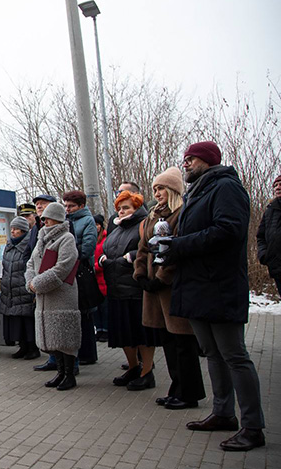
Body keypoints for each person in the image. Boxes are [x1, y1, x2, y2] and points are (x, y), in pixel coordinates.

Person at [161, 141, 265, 451]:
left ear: (207, 160)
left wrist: (181, 245)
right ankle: (223, 413)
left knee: (234, 355)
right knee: (212, 353)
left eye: (191, 159)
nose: (187, 164)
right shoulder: (200, 190)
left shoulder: (226, 188)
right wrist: (171, 246)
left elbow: (229, 230)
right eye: (186, 159)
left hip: (219, 286)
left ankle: (253, 426)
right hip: (197, 286)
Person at [134, 166, 205, 410]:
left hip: (173, 288)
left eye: (162, 188)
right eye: (155, 188)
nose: (158, 192)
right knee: (168, 343)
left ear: (173, 189)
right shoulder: (152, 216)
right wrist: (140, 274)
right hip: (155, 291)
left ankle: (189, 393)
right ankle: (176, 388)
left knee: (183, 343)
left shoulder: (181, 214)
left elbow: (177, 251)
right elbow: (142, 249)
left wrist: (161, 278)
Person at [100, 191, 157, 390]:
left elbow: (150, 248)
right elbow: (108, 248)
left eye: (126, 208)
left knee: (141, 333)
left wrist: (130, 257)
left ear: (136, 208)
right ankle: (133, 367)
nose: (122, 211)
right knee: (124, 333)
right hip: (116, 288)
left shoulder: (143, 224)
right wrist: (103, 259)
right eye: (119, 208)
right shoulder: (116, 228)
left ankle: (147, 372)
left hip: (136, 290)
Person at [24, 202, 80, 390]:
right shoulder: (42, 239)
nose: (44, 221)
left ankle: (70, 375)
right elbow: (31, 263)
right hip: (43, 297)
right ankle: (60, 372)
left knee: (65, 336)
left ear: (56, 218)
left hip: (62, 295)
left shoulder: (67, 238)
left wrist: (38, 284)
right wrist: (31, 281)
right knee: (53, 337)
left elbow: (63, 266)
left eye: (47, 218)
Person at [63, 190, 99, 366]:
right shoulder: (66, 221)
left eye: (71, 206)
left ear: (81, 206)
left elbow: (88, 248)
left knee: (85, 314)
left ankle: (88, 353)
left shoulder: (88, 221)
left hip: (82, 271)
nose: (67, 209)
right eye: (66, 206)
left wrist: (67, 255)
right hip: (70, 271)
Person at [0, 216, 38, 360]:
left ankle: (32, 348)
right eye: (12, 228)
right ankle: (22, 347)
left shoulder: (28, 245)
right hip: (10, 288)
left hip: (23, 287)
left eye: (16, 229)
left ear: (23, 230)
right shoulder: (9, 245)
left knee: (27, 320)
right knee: (16, 320)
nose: (13, 231)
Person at [257, 175, 281, 295]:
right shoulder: (270, 210)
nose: (278, 187)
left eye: (280, 184)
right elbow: (260, 236)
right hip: (277, 267)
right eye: (275, 185)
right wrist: (264, 254)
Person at [92, 214, 108, 342]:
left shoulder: (106, 239)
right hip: (94, 278)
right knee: (96, 307)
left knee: (105, 307)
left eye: (97, 224)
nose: (95, 227)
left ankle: (106, 330)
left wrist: (96, 266)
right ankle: (99, 329)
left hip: (103, 277)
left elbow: (105, 257)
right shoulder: (91, 238)